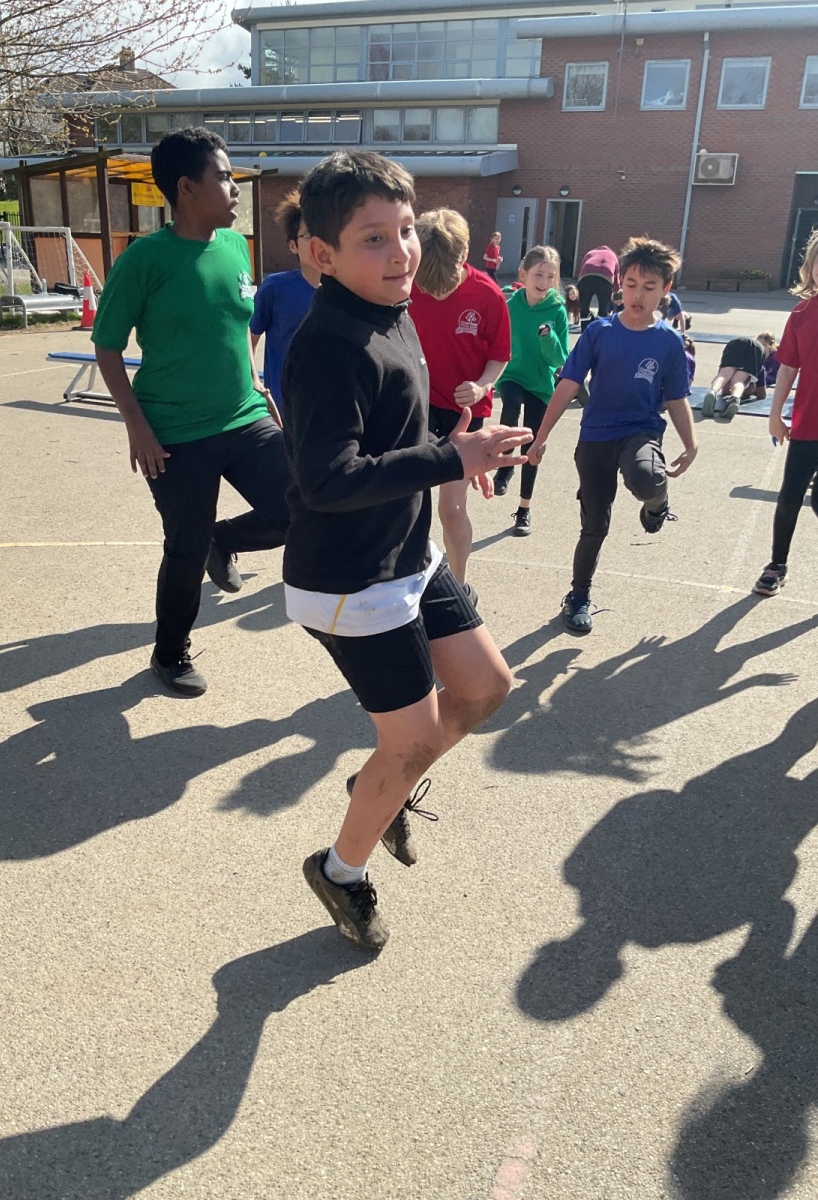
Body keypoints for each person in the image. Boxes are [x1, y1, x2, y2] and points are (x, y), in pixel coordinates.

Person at [281, 150, 530, 951]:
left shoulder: (392, 308)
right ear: (322, 254)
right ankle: (340, 871)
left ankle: (377, 786)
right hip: (348, 582)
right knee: (415, 739)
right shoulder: (329, 345)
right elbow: (327, 479)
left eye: (407, 230)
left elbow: (394, 431)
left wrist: (457, 451)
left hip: (405, 555)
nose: (401, 253)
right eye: (374, 239)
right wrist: (448, 459)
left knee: (486, 687)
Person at [92, 128, 289, 697]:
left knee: (299, 505)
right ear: (185, 187)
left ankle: (221, 540)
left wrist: (256, 383)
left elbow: (236, 325)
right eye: (223, 177)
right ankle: (170, 653)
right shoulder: (144, 259)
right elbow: (107, 346)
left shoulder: (235, 247)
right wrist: (137, 427)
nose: (234, 187)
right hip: (173, 432)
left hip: (244, 416)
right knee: (183, 546)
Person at [525, 236, 697, 635]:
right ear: (620, 285)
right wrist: (541, 436)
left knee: (646, 477)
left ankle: (657, 502)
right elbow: (568, 385)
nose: (638, 295)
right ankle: (578, 596)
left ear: (666, 289)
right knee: (594, 526)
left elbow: (676, 397)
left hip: (640, 430)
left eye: (649, 287)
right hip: (596, 436)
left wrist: (691, 444)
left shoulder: (668, 341)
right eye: (632, 284)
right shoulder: (599, 332)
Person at [409, 208, 511, 595]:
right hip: (415, 405)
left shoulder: (488, 294)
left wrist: (483, 386)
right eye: (428, 286)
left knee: (450, 509)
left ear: (464, 257)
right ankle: (408, 581)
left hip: (463, 413)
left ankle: (460, 589)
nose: (435, 294)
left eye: (444, 287)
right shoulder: (405, 284)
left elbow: (499, 356)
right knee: (407, 505)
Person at [752, 228, 818, 597]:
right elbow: (788, 369)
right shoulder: (802, 313)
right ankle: (777, 565)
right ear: (811, 267)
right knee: (790, 495)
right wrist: (775, 414)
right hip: (808, 423)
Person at [492, 245, 570, 538]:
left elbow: (559, 360)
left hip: (540, 383)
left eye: (551, 276)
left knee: (533, 448)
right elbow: (494, 338)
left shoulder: (557, 311)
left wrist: (548, 339)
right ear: (523, 274)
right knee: (510, 404)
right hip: (512, 375)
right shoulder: (510, 305)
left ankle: (524, 509)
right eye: (539, 274)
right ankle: (505, 465)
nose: (545, 281)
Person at [249, 190, 320, 418]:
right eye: (308, 236)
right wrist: (253, 382)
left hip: (328, 407)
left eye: (323, 234)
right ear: (293, 245)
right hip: (283, 407)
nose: (317, 243)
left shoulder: (345, 290)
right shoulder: (275, 288)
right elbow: (248, 337)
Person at [701, 334, 772, 419]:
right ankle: (735, 397)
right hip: (756, 349)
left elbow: (725, 391)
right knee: (739, 380)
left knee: (723, 375)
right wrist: (750, 392)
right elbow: (762, 395)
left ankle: (712, 391)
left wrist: (726, 390)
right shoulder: (760, 366)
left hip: (735, 342)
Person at [577, 244, 621, 327]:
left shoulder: (590, 253)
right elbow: (617, 275)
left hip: (586, 277)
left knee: (584, 307)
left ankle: (585, 328)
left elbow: (582, 267)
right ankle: (600, 327)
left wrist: (579, 286)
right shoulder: (613, 255)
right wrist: (616, 289)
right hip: (605, 278)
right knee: (603, 308)